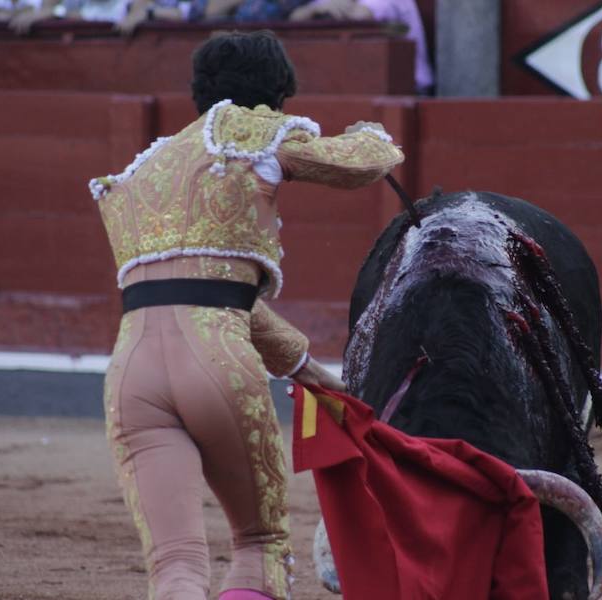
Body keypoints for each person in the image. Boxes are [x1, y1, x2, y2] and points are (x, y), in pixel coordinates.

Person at [89, 30, 403, 600]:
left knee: (177, 565)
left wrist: (307, 369)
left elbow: (206, 292)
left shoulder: (140, 173)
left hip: (130, 377)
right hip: (216, 362)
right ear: (277, 95)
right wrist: (371, 134)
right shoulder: (250, 130)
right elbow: (362, 164)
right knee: (259, 545)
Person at [289, 0, 434, 95]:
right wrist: (317, 9)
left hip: (408, 92)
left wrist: (326, 8)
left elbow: (359, 16)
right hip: (352, 90)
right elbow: (295, 18)